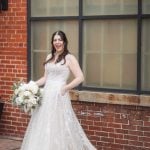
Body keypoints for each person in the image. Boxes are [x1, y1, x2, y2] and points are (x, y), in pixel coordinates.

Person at [21, 30, 97, 150]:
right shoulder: (49, 57)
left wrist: (65, 88)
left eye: (60, 40)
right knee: (44, 125)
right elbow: (45, 78)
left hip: (59, 95)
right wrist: (31, 85)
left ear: (64, 42)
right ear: (52, 43)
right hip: (46, 96)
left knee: (59, 125)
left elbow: (80, 77)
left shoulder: (69, 58)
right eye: (55, 40)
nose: (57, 42)